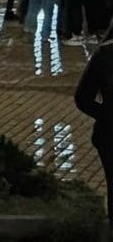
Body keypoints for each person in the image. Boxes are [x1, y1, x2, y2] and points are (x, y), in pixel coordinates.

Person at [74, 21, 113, 230]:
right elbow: (82, 98)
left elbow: (82, 98)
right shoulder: (104, 56)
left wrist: (106, 116)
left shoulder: (104, 55)